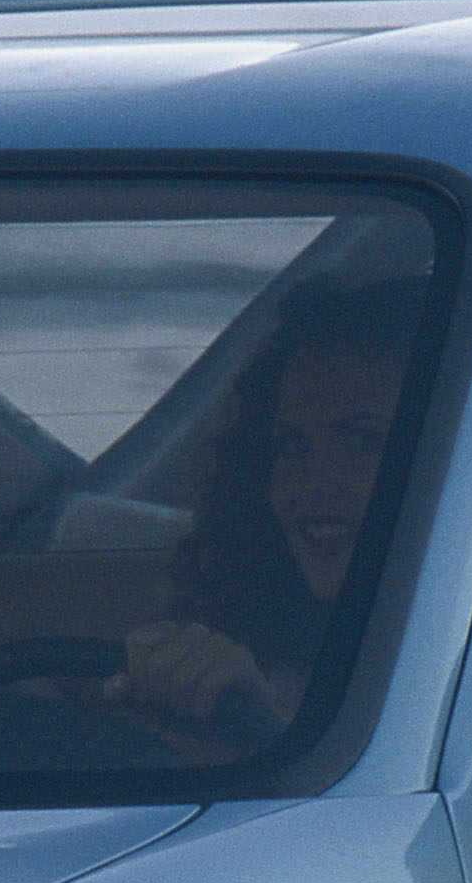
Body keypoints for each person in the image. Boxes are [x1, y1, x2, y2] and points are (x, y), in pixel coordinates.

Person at [111, 281, 423, 737]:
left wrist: (264, 730)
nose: (316, 482)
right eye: (293, 446)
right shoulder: (261, 640)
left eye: (362, 441)